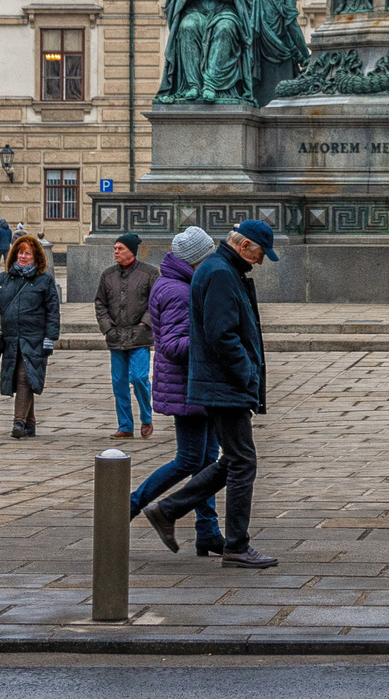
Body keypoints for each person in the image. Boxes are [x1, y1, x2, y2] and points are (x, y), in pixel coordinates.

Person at [142, 220, 279, 569]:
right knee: (243, 462)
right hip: (224, 383)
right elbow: (221, 335)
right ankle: (235, 545)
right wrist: (246, 373)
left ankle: (167, 510)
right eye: (260, 254)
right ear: (245, 245)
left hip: (219, 383)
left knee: (232, 460)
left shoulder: (220, 268)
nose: (260, 262)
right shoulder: (219, 273)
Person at [130, 226, 225, 555]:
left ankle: (208, 531)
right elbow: (172, 344)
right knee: (189, 459)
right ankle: (128, 506)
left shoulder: (180, 282)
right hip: (188, 385)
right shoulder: (178, 291)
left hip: (196, 383)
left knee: (207, 460)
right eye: (208, 255)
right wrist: (213, 338)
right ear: (196, 259)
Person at [0, 234, 62, 437]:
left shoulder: (44, 280)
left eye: (27, 253)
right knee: (22, 378)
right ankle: (30, 422)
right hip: (11, 339)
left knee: (24, 377)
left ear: (36, 257)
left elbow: (53, 312)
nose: (23, 257)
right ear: (14, 255)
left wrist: (50, 338)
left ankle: (18, 423)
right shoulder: (3, 279)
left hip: (35, 339)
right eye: (20, 252)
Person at [96, 233, 158, 439]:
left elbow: (155, 302)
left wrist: (144, 323)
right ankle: (125, 426)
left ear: (131, 251)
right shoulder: (108, 275)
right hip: (116, 336)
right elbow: (100, 303)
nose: (116, 252)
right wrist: (107, 327)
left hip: (139, 336)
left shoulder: (149, 273)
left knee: (139, 377)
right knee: (119, 382)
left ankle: (146, 417)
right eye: (115, 248)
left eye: (120, 248)